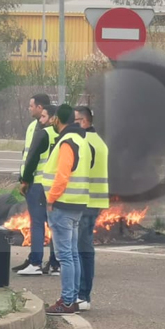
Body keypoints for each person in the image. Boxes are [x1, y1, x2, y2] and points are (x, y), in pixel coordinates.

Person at [42, 104, 90, 316]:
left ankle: (68, 301)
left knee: (65, 257)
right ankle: (74, 298)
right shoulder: (82, 140)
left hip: (62, 204)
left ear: (57, 120)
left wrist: (51, 199)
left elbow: (62, 175)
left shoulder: (67, 142)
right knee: (73, 254)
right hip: (77, 203)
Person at [15, 103, 61, 276]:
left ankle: (35, 262)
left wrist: (25, 180)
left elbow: (32, 160)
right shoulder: (65, 136)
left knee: (37, 223)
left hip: (39, 184)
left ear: (52, 118)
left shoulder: (44, 134)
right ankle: (56, 264)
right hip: (56, 186)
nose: (40, 120)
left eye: (43, 116)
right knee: (54, 225)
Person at [74, 106, 107, 311]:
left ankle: (82, 294)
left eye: (76, 121)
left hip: (86, 201)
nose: (73, 125)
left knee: (81, 249)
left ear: (85, 122)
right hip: (94, 201)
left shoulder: (86, 142)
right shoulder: (98, 141)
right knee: (84, 248)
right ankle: (83, 293)